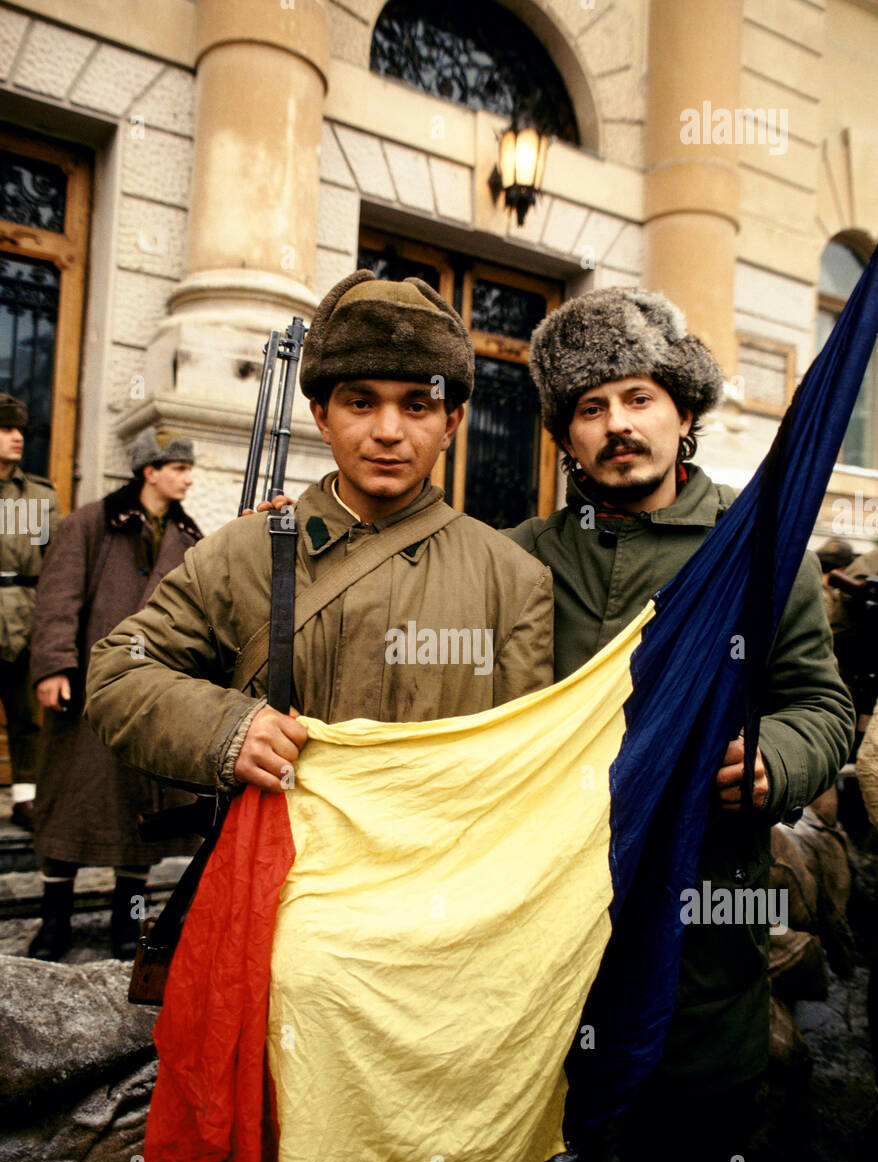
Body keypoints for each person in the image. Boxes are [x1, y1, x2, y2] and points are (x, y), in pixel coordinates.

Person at [503, 286, 855, 1162]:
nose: (615, 424)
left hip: (699, 949)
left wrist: (772, 760)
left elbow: (820, 710)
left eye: (636, 396)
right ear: (566, 436)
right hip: (542, 952)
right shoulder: (522, 557)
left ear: (682, 410)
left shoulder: (759, 558)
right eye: (587, 407)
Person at [84, 272, 554, 800]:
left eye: (417, 406)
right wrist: (230, 731)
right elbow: (119, 674)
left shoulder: (513, 581)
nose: (388, 431)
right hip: (277, 875)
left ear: (451, 424)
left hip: (439, 875)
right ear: (321, 417)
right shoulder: (243, 552)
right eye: (361, 403)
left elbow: (524, 770)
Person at [27, 428, 204, 961]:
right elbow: (58, 597)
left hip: (152, 694)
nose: (188, 477)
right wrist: (55, 664)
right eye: (177, 468)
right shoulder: (89, 524)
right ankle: (53, 922)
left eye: (188, 469)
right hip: (84, 691)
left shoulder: (190, 537)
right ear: (149, 471)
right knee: (68, 805)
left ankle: (127, 925)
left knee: (138, 811)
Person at [0, 393, 61, 830]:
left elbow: (55, 563)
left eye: (20, 429)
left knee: (26, 716)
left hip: (25, 615)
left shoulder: (36, 497)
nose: (17, 437)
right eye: (6, 429)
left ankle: (25, 796)